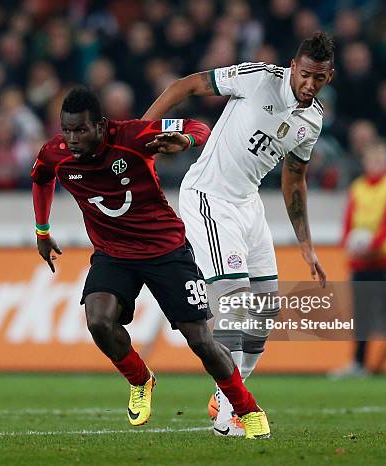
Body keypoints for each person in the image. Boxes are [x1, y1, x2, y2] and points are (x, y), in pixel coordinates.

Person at [32, 87, 271, 439]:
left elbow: (199, 127)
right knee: (98, 321)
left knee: (201, 341)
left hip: (165, 250)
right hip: (113, 253)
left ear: (100, 125)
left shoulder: (134, 135)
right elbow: (40, 178)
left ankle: (247, 409)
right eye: (66, 130)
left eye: (80, 130)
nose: (72, 139)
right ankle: (141, 379)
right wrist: (42, 230)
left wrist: (185, 142)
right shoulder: (56, 153)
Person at [143, 32, 333, 435]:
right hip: (209, 196)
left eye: (318, 79)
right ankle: (232, 413)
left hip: (249, 205)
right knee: (234, 304)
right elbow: (187, 84)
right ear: (292, 66)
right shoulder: (258, 78)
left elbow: (294, 178)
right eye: (304, 75)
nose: (308, 85)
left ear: (328, 77)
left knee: (265, 311)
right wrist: (140, 133)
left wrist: (306, 245)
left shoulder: (312, 119)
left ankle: (227, 391)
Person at [332, 139, 386, 378]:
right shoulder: (358, 187)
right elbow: (348, 219)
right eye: (371, 160)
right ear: (365, 162)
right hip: (360, 263)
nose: (375, 164)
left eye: (379, 160)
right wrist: (347, 242)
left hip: (384, 260)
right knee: (361, 314)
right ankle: (359, 363)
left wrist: (371, 245)